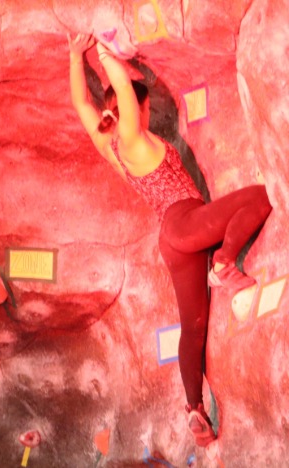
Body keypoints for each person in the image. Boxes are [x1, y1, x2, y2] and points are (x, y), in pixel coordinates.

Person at [68, 33, 272, 446]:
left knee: (193, 327)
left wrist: (75, 56)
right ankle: (224, 264)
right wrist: (103, 53)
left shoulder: (109, 145)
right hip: (186, 222)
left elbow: (83, 105)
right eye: (144, 104)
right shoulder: (133, 139)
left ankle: (194, 407)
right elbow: (123, 89)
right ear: (137, 110)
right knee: (263, 195)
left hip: (173, 239)